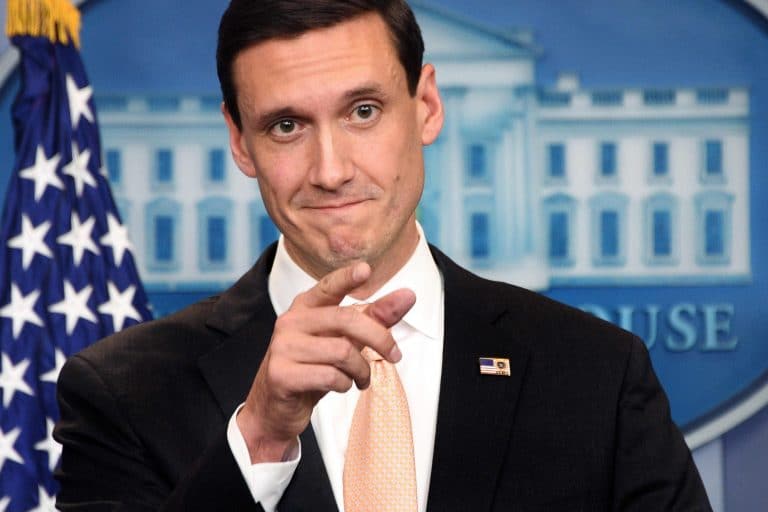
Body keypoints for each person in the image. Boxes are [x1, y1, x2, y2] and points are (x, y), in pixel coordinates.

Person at [54, 0, 712, 510]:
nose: (331, 170)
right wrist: (259, 440)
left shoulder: (597, 374)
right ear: (240, 142)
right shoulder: (124, 392)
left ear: (426, 106)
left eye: (363, 111)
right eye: (287, 126)